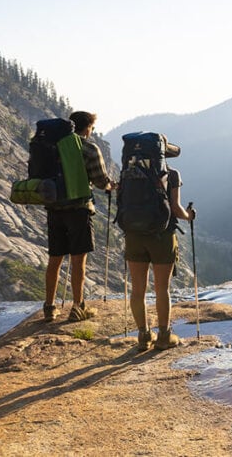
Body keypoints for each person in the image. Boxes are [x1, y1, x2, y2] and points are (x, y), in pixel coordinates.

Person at [43, 111, 116, 322]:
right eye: (92, 128)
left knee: (54, 259)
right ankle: (78, 306)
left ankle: (49, 307)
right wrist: (112, 186)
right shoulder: (89, 148)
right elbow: (102, 181)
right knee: (78, 260)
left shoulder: (53, 146)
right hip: (78, 209)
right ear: (86, 128)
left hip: (54, 209)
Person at [125, 140, 196, 351]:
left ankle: (143, 336)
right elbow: (175, 208)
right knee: (161, 288)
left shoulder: (128, 172)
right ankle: (164, 336)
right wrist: (189, 217)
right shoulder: (171, 174)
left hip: (134, 235)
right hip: (162, 236)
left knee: (137, 290)